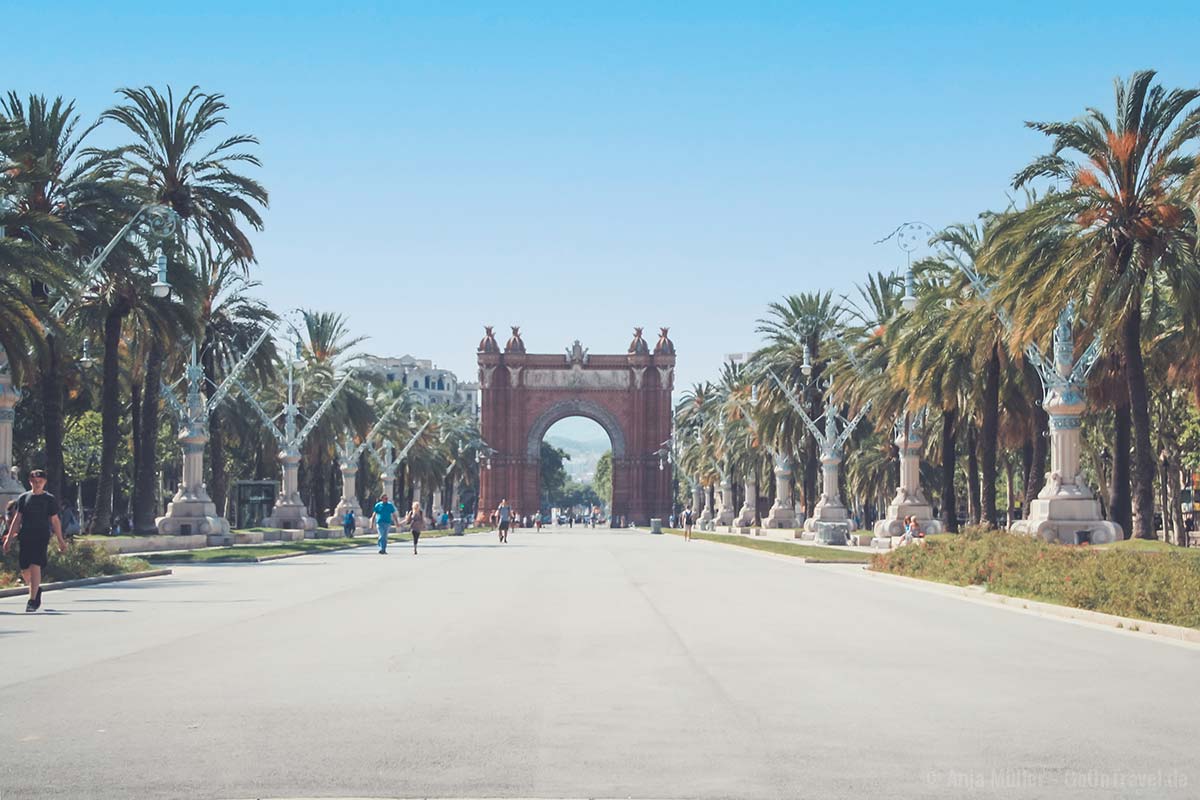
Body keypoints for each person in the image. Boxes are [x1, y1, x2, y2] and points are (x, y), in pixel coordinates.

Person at [2, 469, 68, 612]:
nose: (37, 484)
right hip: (26, 536)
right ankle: (36, 590)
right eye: (34, 481)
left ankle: (32, 600)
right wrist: (9, 538)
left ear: (44, 482)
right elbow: (17, 519)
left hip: (41, 535)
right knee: (25, 568)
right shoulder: (23, 498)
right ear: (30, 482)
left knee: (35, 564)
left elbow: (55, 520)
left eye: (40, 482)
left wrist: (61, 540)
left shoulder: (49, 499)